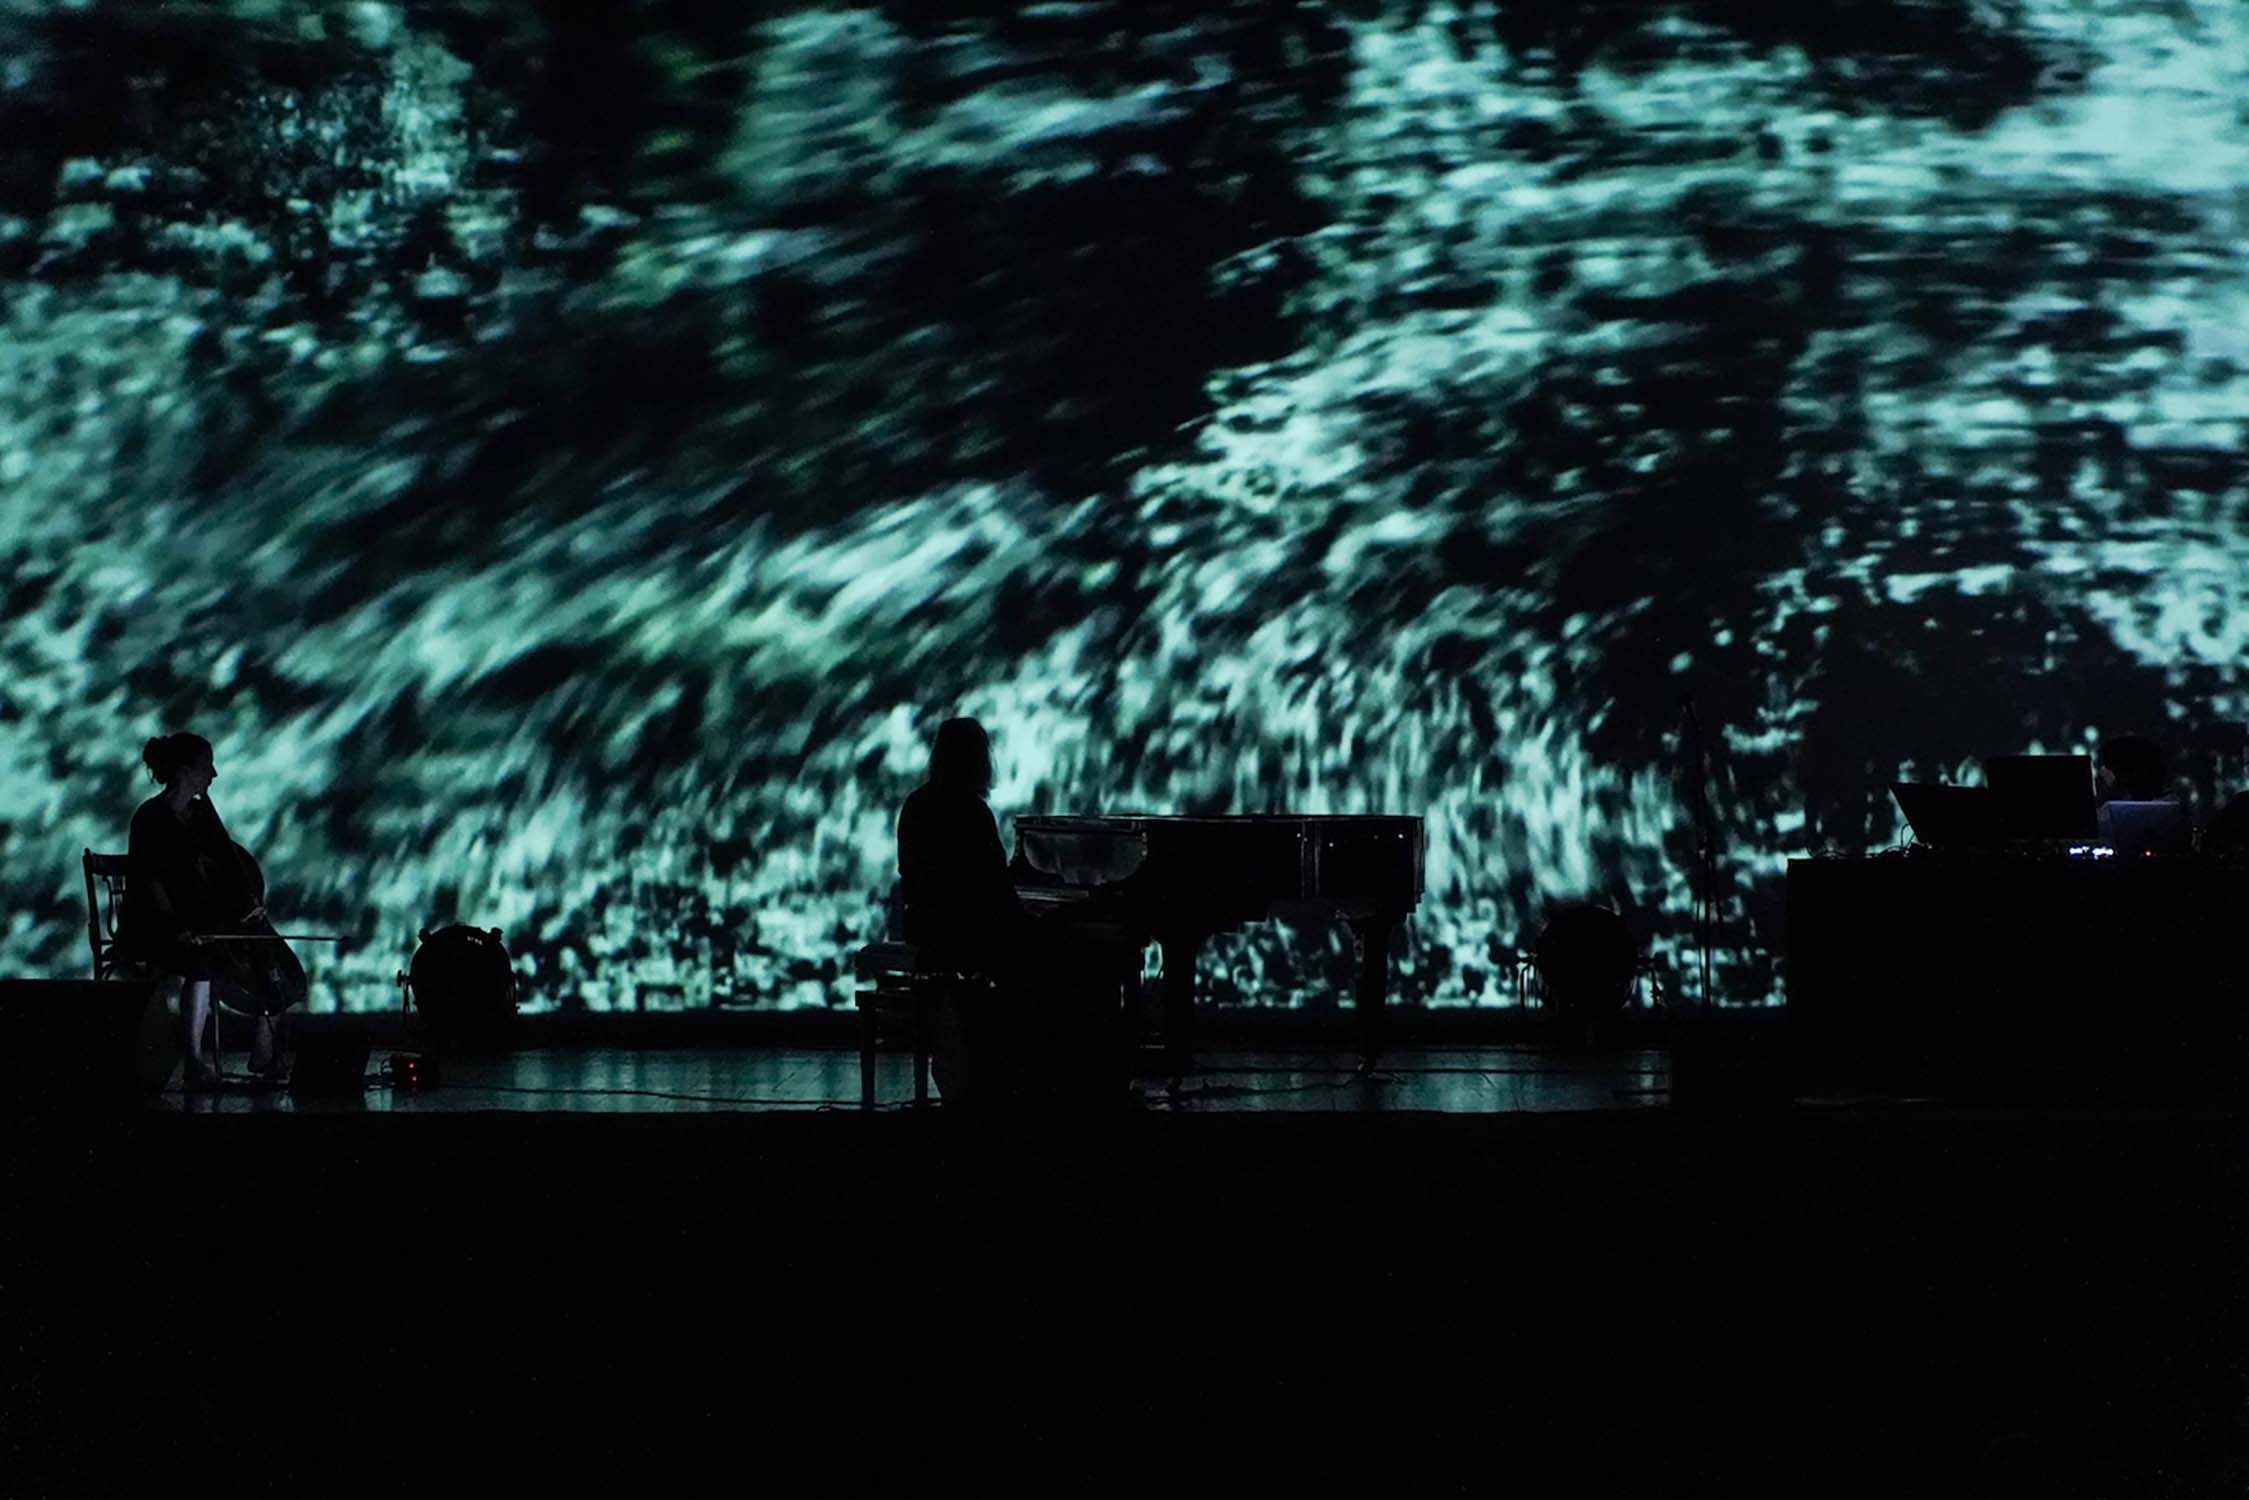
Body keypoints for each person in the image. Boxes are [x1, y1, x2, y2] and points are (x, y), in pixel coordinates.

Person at [894, 717, 1118, 1111]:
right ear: (979, 760)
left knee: (1047, 950)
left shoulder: (916, 804)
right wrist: (1040, 915)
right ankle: (1074, 1077)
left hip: (927, 928)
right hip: (968, 935)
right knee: (1077, 955)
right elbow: (993, 887)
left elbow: (919, 876)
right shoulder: (971, 810)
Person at [120, 733, 296, 1087]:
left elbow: (229, 868)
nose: (213, 774)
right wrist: (176, 927)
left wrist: (248, 903)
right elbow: (150, 883)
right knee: (201, 961)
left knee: (269, 958)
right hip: (157, 925)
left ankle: (264, 1050)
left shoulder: (201, 816)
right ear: (184, 771)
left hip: (201, 923)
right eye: (206, 767)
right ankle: (194, 1063)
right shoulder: (151, 817)